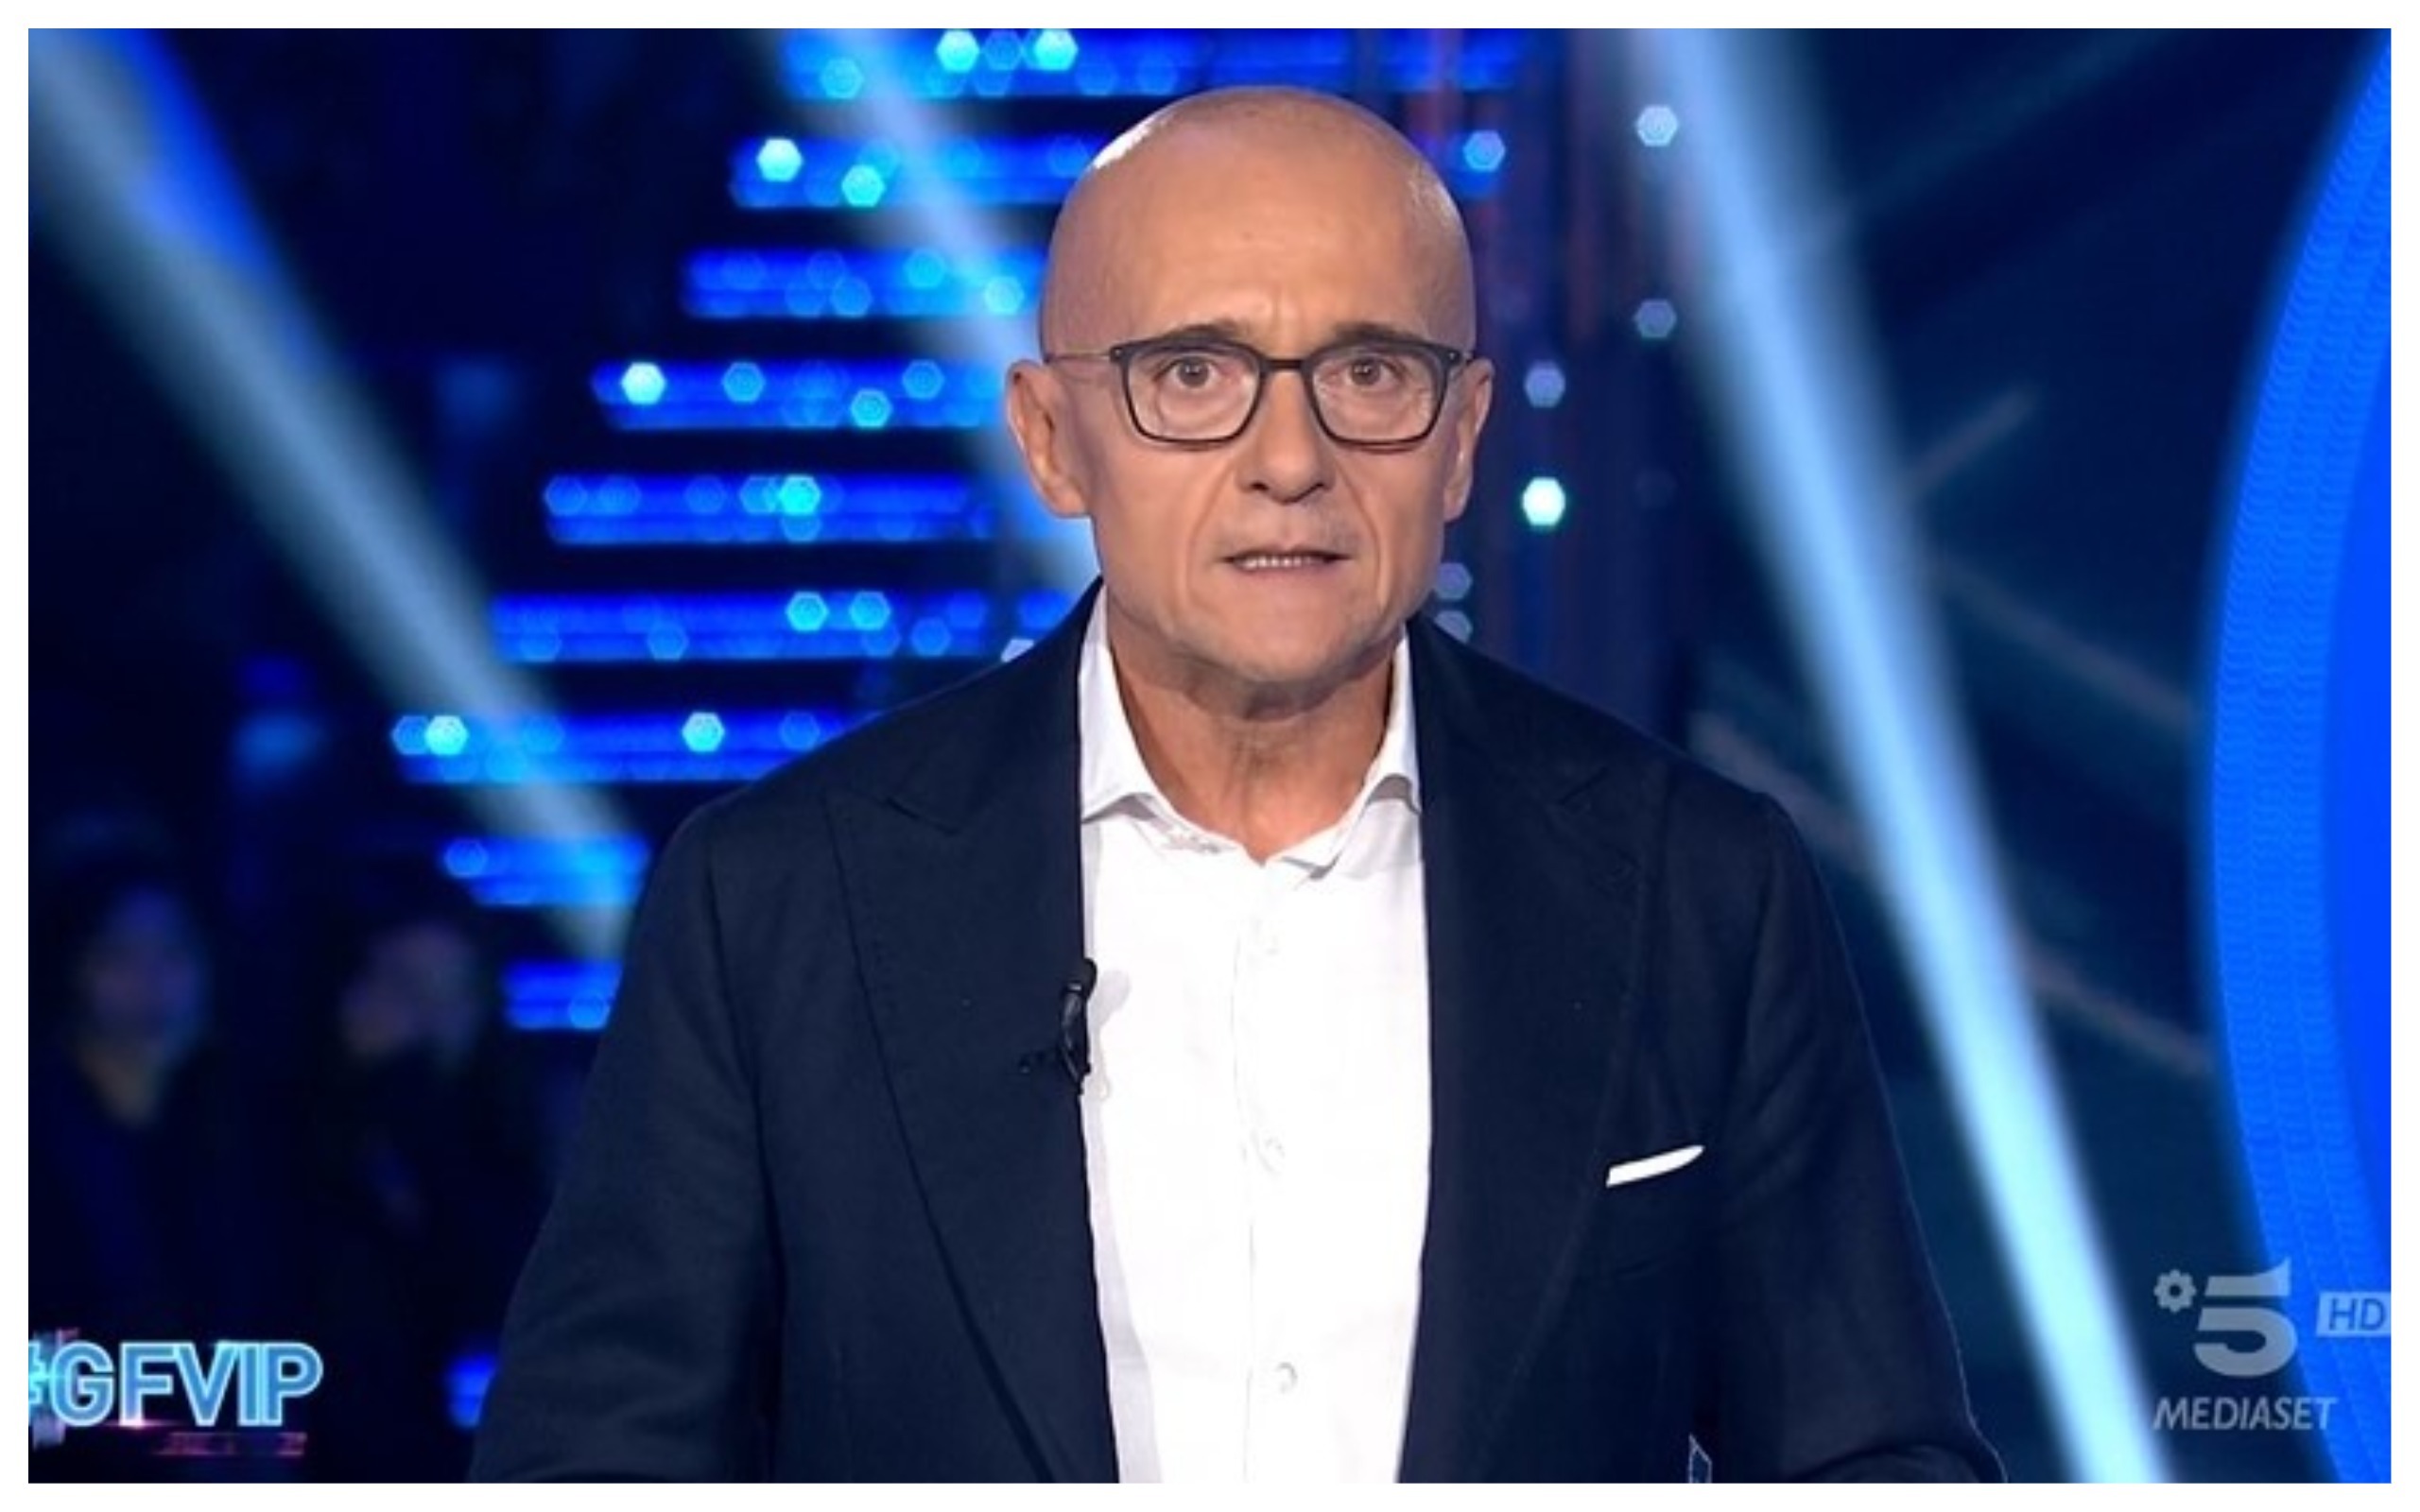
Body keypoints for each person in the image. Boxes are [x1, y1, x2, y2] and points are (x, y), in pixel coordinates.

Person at [473, 86, 1998, 1482]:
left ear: (1462, 440)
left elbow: (1873, 1459)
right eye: (1193, 374)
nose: (1290, 459)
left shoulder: (1698, 886)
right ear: (1052, 439)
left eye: (1370, 373)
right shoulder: (780, 899)